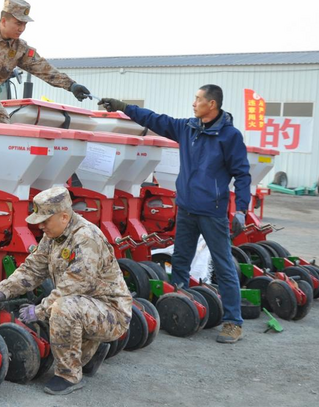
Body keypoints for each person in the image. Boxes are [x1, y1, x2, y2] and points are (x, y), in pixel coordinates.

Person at [98, 84, 251, 344]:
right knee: (180, 259)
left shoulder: (229, 136)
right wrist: (124, 107)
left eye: (198, 99)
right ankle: (180, 305)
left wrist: (241, 210)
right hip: (187, 208)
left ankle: (233, 323)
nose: (194, 103)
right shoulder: (188, 128)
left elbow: (243, 174)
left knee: (224, 264)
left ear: (211, 104)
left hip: (212, 212)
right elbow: (155, 119)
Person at [0, 186, 133, 395]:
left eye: (45, 221)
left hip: (112, 314)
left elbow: (72, 287)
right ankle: (91, 351)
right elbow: (33, 268)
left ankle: (68, 375)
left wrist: (39, 311)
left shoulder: (85, 238)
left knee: (61, 308)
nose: (41, 227)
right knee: (59, 307)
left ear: (64, 217)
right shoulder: (53, 235)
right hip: (90, 306)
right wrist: (5, 291)